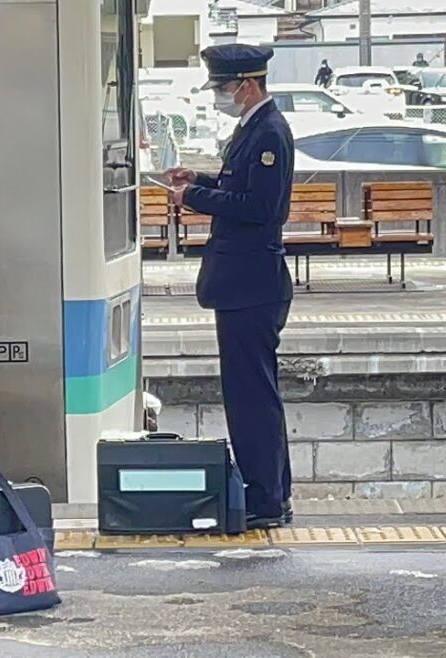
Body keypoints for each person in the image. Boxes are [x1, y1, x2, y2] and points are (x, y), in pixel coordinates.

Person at [165, 44, 294, 530]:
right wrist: (197, 178)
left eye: (223, 87)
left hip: (251, 285)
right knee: (252, 393)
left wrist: (194, 196)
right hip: (245, 284)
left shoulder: (269, 133)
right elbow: (238, 186)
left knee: (251, 398)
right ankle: (273, 493)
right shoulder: (253, 129)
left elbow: (260, 207)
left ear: (248, 84)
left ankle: (265, 498)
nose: (219, 95)